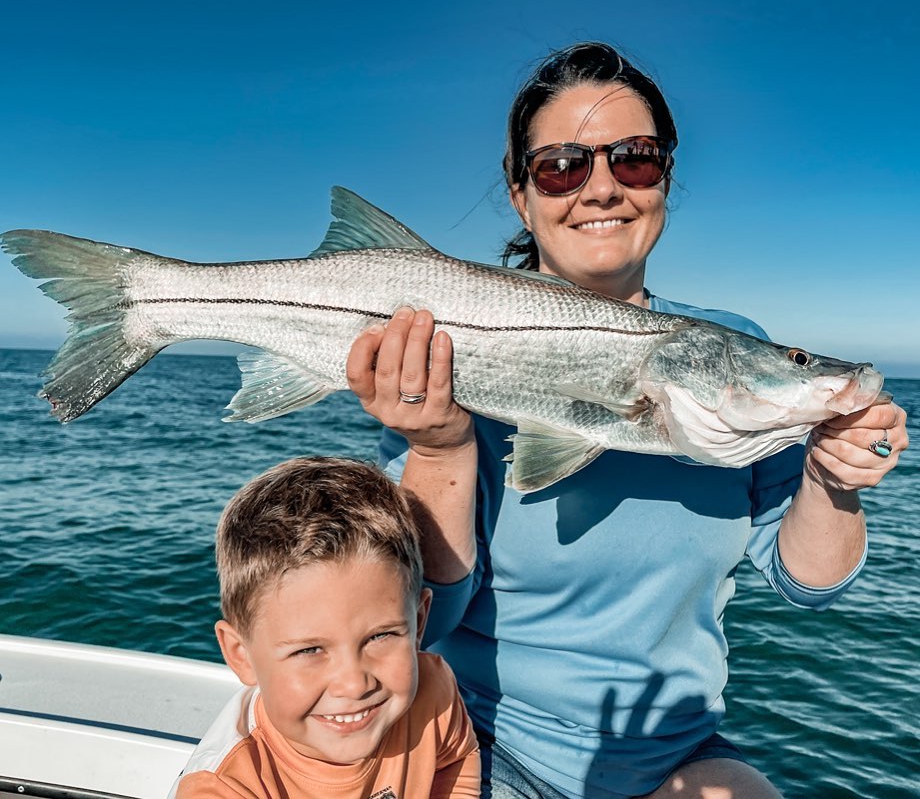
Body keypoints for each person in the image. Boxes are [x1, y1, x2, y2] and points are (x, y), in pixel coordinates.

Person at [344, 42, 909, 799]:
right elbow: (425, 621)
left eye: (634, 158)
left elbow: (808, 586)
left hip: (675, 750)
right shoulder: (445, 351)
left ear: (664, 178)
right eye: (562, 165)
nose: (602, 187)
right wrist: (439, 448)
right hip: (472, 738)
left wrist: (831, 477)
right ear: (522, 193)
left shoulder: (730, 342)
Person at [171, 456, 481, 799]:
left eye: (380, 636)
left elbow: (455, 760)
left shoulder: (434, 690)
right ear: (240, 655)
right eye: (309, 650)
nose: (354, 684)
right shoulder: (226, 787)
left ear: (419, 621)